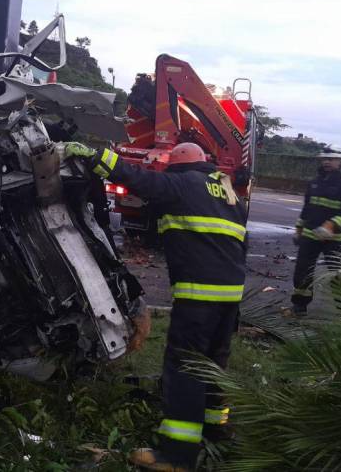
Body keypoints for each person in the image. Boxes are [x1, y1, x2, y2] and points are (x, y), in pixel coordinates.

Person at [65, 141, 248, 471]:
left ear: (178, 166)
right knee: (212, 364)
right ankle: (216, 427)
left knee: (185, 370)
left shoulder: (183, 183)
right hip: (230, 296)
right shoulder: (227, 191)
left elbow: (138, 178)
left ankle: (177, 456)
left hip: (199, 297)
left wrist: (95, 156)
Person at [290, 151, 341, 317]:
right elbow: (307, 208)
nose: (327, 162)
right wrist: (299, 229)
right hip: (310, 236)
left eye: (331, 159)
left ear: (340, 162)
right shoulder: (314, 183)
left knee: (338, 274)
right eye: (324, 159)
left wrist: (331, 225)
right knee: (302, 272)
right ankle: (299, 307)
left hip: (335, 239)